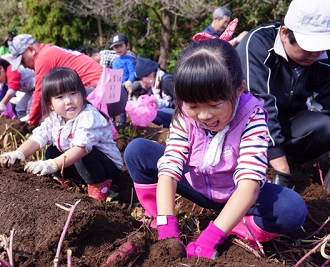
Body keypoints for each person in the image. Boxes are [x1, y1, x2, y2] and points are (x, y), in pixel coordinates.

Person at [124, 39, 307, 259]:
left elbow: (249, 185)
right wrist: (168, 230)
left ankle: (239, 227)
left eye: (214, 105)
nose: (204, 116)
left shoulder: (252, 118)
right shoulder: (184, 115)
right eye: (194, 107)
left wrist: (211, 237)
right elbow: (170, 167)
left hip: (239, 195)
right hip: (197, 186)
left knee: (292, 210)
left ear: (239, 89)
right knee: (138, 152)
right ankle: (158, 217)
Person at [236, 0, 330, 188]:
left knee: (326, 126)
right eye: (308, 48)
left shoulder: (321, 55)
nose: (316, 53)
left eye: (321, 47)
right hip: (247, 124)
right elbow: (259, 105)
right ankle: (270, 160)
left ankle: (301, 161)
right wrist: (281, 169)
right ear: (285, 33)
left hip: (289, 122)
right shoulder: (258, 44)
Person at [0, 67, 123, 201]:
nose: (68, 101)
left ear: (82, 94)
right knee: (51, 152)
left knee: (83, 156)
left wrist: (52, 165)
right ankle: (71, 183)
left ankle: (100, 187)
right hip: (80, 166)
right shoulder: (54, 118)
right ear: (50, 104)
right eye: (60, 97)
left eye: (73, 93)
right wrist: (18, 154)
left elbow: (81, 149)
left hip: (107, 169)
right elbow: (39, 138)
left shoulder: (89, 116)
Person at [8, 34, 128, 126]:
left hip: (105, 96)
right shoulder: (50, 50)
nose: (24, 66)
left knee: (62, 105)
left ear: (30, 50)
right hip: (116, 91)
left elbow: (40, 94)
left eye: (22, 61)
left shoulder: (43, 58)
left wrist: (32, 123)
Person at [130, 56, 175, 127]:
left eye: (142, 79)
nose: (142, 82)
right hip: (174, 115)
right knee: (148, 111)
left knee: (154, 111)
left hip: (183, 116)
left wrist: (167, 104)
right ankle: (170, 128)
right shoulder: (154, 87)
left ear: (151, 74)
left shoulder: (167, 82)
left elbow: (184, 103)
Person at [110, 33, 136, 125]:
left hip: (124, 87)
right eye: (116, 47)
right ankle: (112, 123)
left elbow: (132, 72)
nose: (119, 49)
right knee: (111, 105)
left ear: (127, 45)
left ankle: (122, 124)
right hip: (115, 87)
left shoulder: (130, 60)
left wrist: (129, 81)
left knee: (122, 107)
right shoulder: (115, 61)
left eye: (120, 46)